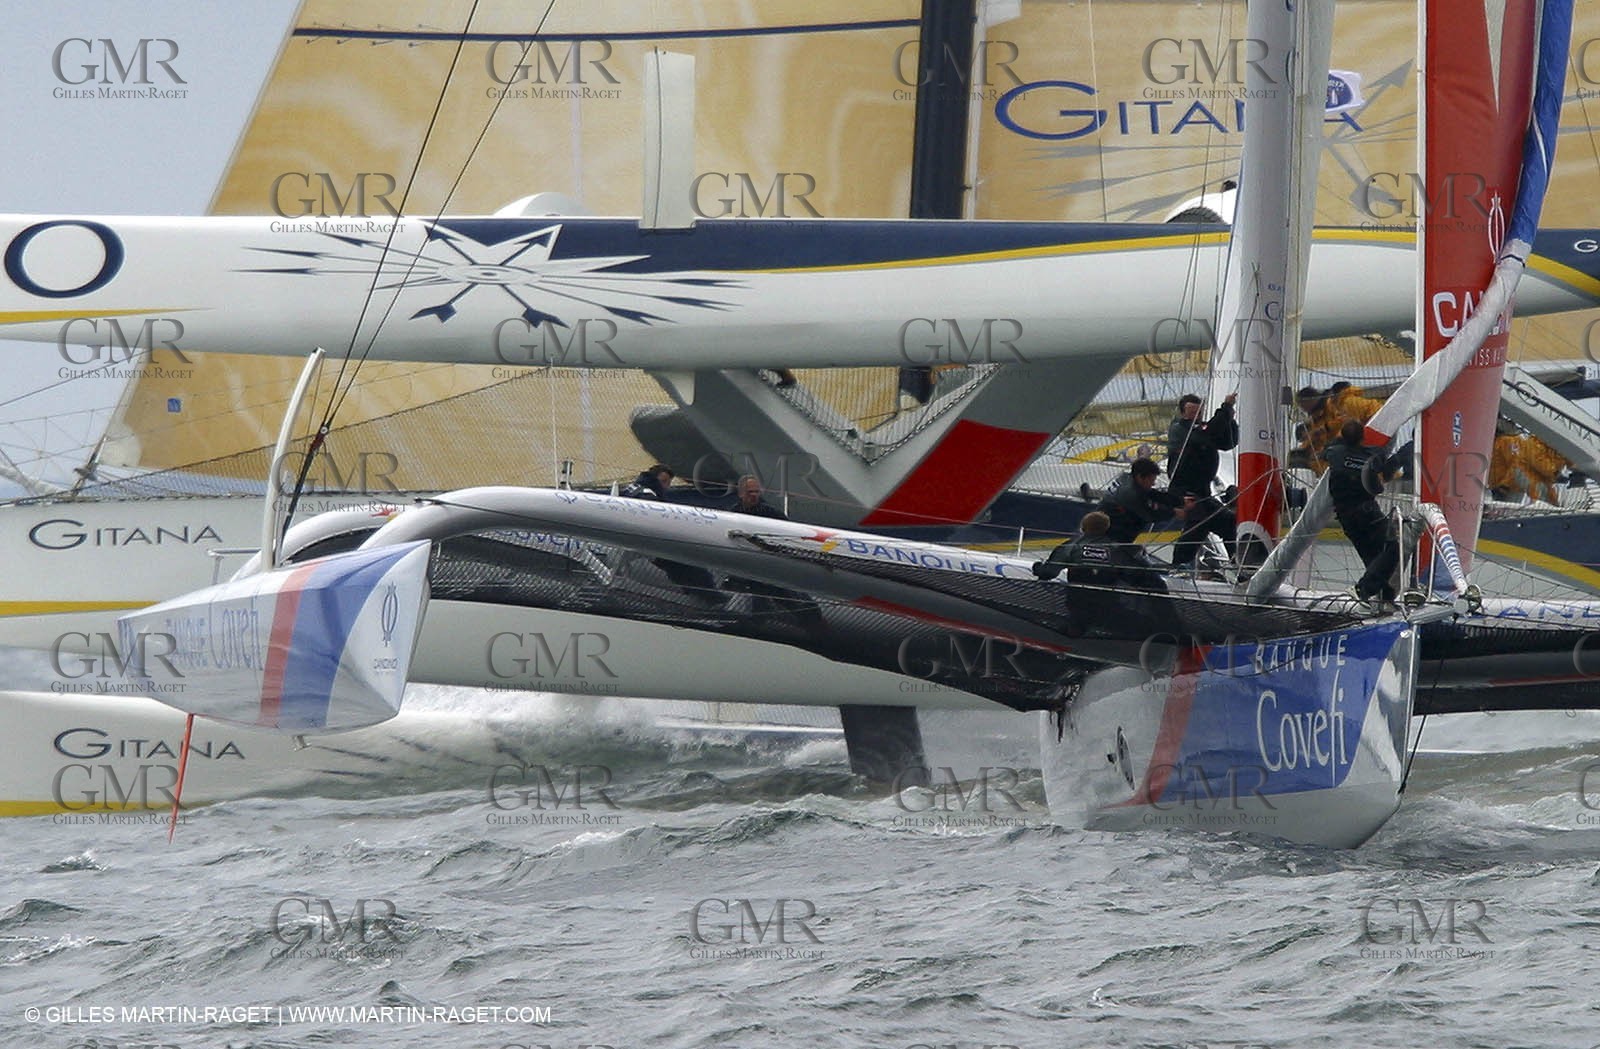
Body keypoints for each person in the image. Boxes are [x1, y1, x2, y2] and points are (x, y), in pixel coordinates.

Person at [1324, 419, 1402, 605]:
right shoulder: (1372, 455)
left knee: (1370, 555)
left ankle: (1383, 596)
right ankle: (1364, 590)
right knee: (1392, 547)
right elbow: (1385, 464)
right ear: (1363, 437)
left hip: (1345, 516)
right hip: (1368, 512)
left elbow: (1329, 450)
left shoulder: (1333, 453)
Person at [1166, 392, 1239, 570]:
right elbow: (1203, 437)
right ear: (1183, 413)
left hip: (1202, 492)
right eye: (1191, 412)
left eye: (1198, 413)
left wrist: (1230, 420)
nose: (1195, 417)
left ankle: (1238, 562)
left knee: (1228, 521)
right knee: (1198, 523)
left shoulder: (1203, 428)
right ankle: (1179, 566)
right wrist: (1225, 409)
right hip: (1185, 492)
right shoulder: (1179, 429)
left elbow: (1227, 442)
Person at [1032, 510, 1167, 592]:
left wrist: (1037, 567)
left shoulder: (1071, 547)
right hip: (1111, 604)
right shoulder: (1119, 549)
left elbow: (1048, 572)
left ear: (1083, 528)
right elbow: (1140, 574)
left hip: (1077, 602)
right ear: (1106, 528)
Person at [1097, 458, 1185, 567]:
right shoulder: (1130, 494)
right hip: (1112, 536)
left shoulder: (1126, 478)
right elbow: (1149, 514)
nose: (1153, 483)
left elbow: (1151, 493)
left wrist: (1180, 501)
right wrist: (1174, 513)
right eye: (1151, 480)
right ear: (1140, 477)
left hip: (1109, 530)